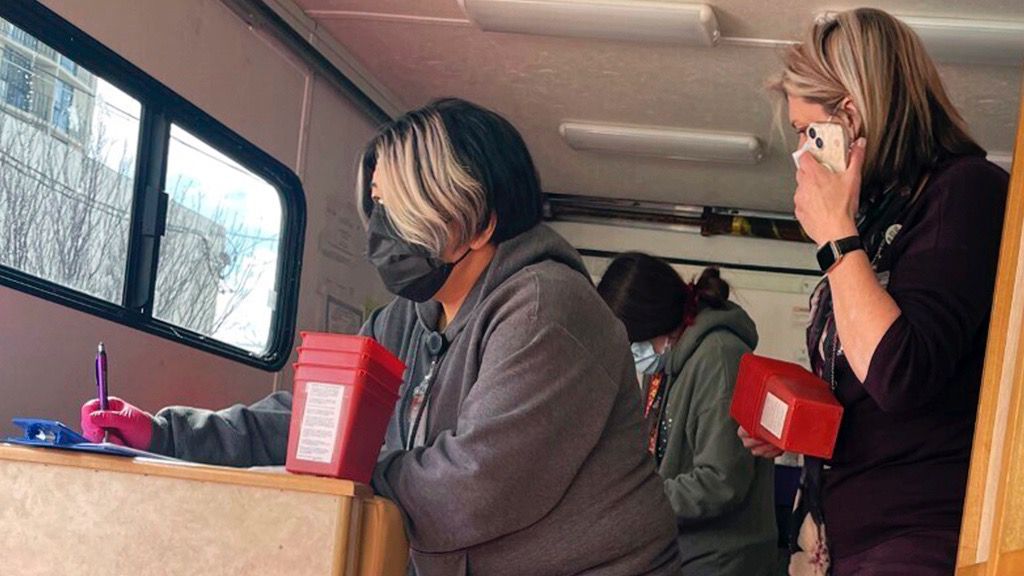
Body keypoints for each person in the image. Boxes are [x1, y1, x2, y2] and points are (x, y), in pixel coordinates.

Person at [81, 98, 683, 575]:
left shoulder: (545, 312)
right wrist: (164, 434)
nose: (381, 232)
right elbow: (313, 421)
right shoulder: (402, 320)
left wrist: (348, 466)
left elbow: (469, 492)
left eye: (398, 211)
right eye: (377, 208)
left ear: (475, 222)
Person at [737, 8, 1009, 576]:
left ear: (853, 116)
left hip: (920, 535)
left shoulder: (964, 192)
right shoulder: (883, 212)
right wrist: (793, 426)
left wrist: (837, 240)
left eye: (807, 133)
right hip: (848, 535)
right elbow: (863, 385)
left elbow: (901, 374)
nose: (801, 155)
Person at [597, 254, 777, 576]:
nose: (629, 353)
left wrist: (633, 502)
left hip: (723, 561)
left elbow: (720, 483)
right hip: (682, 554)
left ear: (653, 322)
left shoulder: (719, 358)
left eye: (631, 341)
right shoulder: (667, 363)